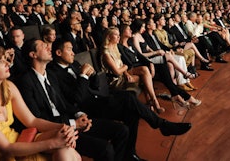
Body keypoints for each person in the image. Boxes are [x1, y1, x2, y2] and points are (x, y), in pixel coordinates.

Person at [48, 38, 192, 161]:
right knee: (128, 99)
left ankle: (130, 154)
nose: (73, 52)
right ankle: (161, 125)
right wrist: (83, 76)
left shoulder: (74, 64)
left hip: (97, 99)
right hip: (86, 109)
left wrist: (92, 76)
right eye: (69, 49)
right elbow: (76, 98)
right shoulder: (53, 73)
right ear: (59, 53)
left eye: (73, 49)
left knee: (131, 111)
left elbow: (95, 85)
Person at [15, 38, 129, 161]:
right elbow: (38, 118)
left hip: (70, 120)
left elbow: (63, 103)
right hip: (56, 130)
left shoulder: (51, 75)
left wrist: (79, 114)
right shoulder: (25, 81)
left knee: (122, 130)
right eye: (43, 46)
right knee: (105, 149)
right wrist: (73, 124)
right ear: (33, 54)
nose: (49, 47)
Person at [0, 44, 81, 161]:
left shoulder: (8, 87)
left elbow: (31, 120)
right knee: (63, 148)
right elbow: (6, 148)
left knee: (64, 144)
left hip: (17, 142)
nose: (7, 63)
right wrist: (53, 143)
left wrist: (63, 127)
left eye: (5, 59)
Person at [101, 26, 165, 113]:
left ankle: (152, 102)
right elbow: (117, 72)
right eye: (116, 35)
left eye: (119, 35)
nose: (118, 37)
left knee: (145, 71)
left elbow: (122, 65)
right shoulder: (106, 53)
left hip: (123, 74)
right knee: (145, 75)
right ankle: (153, 102)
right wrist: (126, 67)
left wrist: (126, 71)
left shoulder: (115, 47)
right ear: (109, 37)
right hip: (115, 80)